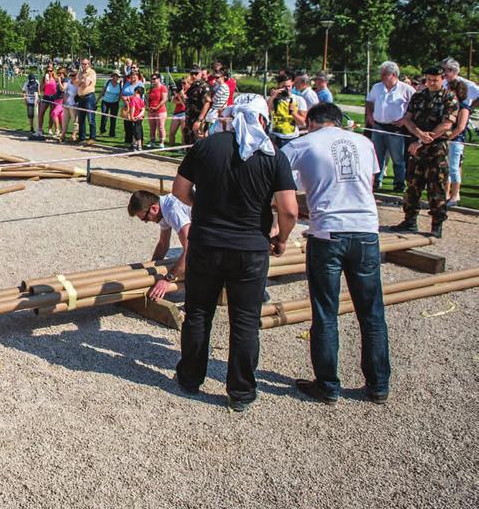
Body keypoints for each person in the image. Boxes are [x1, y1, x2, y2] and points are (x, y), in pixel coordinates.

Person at [171, 94, 298, 411]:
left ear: (231, 116)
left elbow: (180, 191)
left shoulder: (206, 146)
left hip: (206, 242)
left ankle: (190, 377)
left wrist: (205, 208)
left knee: (198, 312)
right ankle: (240, 391)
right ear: (262, 119)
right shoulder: (272, 154)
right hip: (250, 248)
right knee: (244, 320)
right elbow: (289, 210)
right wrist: (281, 239)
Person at [281, 102, 389, 404]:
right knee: (372, 313)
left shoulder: (301, 144)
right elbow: (366, 187)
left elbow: (280, 188)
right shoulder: (365, 143)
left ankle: (328, 385)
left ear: (313, 121)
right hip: (366, 229)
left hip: (328, 232)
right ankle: (378, 384)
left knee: (326, 312)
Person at [392, 66, 458, 238]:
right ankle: (410, 220)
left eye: (435, 80)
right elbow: (407, 119)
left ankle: (437, 224)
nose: (431, 83)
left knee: (437, 187)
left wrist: (422, 140)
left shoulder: (449, 97)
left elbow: (446, 124)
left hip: (436, 150)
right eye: (428, 79)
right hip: (417, 148)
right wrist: (418, 134)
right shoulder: (418, 96)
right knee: (413, 185)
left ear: (442, 79)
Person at [128, 190, 191, 301]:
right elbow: (163, 244)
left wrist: (167, 279)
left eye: (145, 218)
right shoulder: (162, 209)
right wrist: (150, 272)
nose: (146, 222)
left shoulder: (172, 210)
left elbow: (190, 248)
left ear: (153, 209)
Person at [365, 61, 415, 192]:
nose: (381, 76)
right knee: (377, 157)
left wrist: (405, 119)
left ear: (393, 75)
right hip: (378, 127)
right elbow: (369, 102)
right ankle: (377, 181)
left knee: (398, 158)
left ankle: (399, 183)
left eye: (384, 74)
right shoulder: (377, 87)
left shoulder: (407, 89)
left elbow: (415, 106)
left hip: (396, 129)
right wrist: (369, 115)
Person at [445, 79, 471, 208]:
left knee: (454, 169)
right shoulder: (450, 105)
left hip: (456, 142)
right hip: (448, 140)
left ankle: (455, 195)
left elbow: (460, 127)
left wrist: (448, 138)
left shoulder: (464, 107)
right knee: (445, 168)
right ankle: (445, 194)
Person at [268, 71, 307, 149]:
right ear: (278, 86)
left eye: (289, 86)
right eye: (284, 87)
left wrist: (293, 113)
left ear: (292, 84)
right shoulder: (275, 99)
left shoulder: (299, 100)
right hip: (274, 137)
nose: (287, 89)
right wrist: (272, 97)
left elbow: (303, 123)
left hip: (291, 138)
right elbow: (266, 111)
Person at [183, 67, 212, 144]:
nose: (190, 76)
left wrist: (199, 120)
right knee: (189, 143)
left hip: (197, 119)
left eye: (192, 74)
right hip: (189, 119)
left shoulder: (204, 86)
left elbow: (207, 103)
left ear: (195, 76)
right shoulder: (193, 87)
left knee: (198, 143)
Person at [74, 58, 97, 144]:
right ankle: (82, 137)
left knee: (91, 118)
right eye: (83, 64)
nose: (84, 65)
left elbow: (86, 83)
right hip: (81, 97)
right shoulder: (80, 73)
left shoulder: (92, 72)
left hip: (89, 97)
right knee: (81, 119)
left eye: (85, 64)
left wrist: (81, 82)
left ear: (89, 64)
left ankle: (92, 138)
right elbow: (75, 82)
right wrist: (81, 81)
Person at [36, 63, 58, 139]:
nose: (49, 72)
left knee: (51, 114)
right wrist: (45, 83)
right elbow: (40, 89)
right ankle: (40, 128)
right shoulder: (44, 78)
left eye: (51, 70)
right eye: (48, 70)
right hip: (46, 96)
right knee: (41, 112)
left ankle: (50, 129)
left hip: (53, 97)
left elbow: (58, 88)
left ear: (53, 71)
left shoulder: (55, 78)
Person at [146, 74, 168, 148]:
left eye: (154, 79)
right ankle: (152, 141)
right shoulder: (151, 88)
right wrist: (148, 107)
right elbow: (148, 99)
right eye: (152, 79)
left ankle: (162, 142)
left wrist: (157, 107)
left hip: (160, 111)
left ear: (159, 79)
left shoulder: (163, 88)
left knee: (161, 127)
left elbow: (164, 99)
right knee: (152, 127)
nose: (153, 80)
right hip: (151, 110)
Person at [122, 84, 145, 151]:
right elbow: (143, 109)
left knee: (136, 132)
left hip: (134, 118)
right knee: (137, 131)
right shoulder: (141, 100)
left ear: (136, 91)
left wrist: (132, 116)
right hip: (139, 118)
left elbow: (133, 108)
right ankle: (134, 144)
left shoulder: (134, 99)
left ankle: (139, 146)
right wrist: (140, 116)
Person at [99, 72, 122, 138]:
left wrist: (118, 101)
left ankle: (112, 133)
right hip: (105, 101)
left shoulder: (120, 84)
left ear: (118, 77)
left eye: (117, 76)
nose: (115, 77)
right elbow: (102, 91)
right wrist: (97, 100)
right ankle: (102, 131)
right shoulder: (108, 82)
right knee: (104, 117)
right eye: (114, 76)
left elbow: (121, 93)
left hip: (115, 103)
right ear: (112, 76)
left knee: (113, 118)